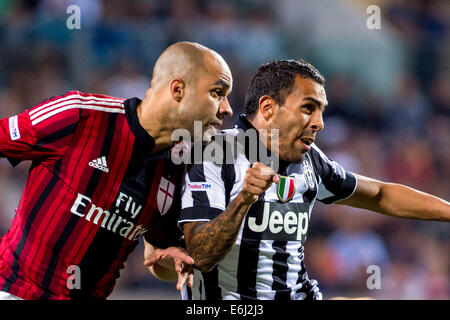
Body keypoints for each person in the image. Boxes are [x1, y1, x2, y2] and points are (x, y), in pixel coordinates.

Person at [179, 59, 450, 300]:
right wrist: (243, 201)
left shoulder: (310, 160)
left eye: (321, 111)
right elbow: (201, 256)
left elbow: (380, 195)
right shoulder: (214, 153)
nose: (319, 123)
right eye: (308, 108)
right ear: (268, 107)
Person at [0, 41, 234, 300]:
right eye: (217, 93)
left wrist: (174, 262)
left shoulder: (179, 168)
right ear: (177, 89)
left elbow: (156, 256)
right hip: (15, 290)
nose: (226, 109)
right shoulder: (80, 115)